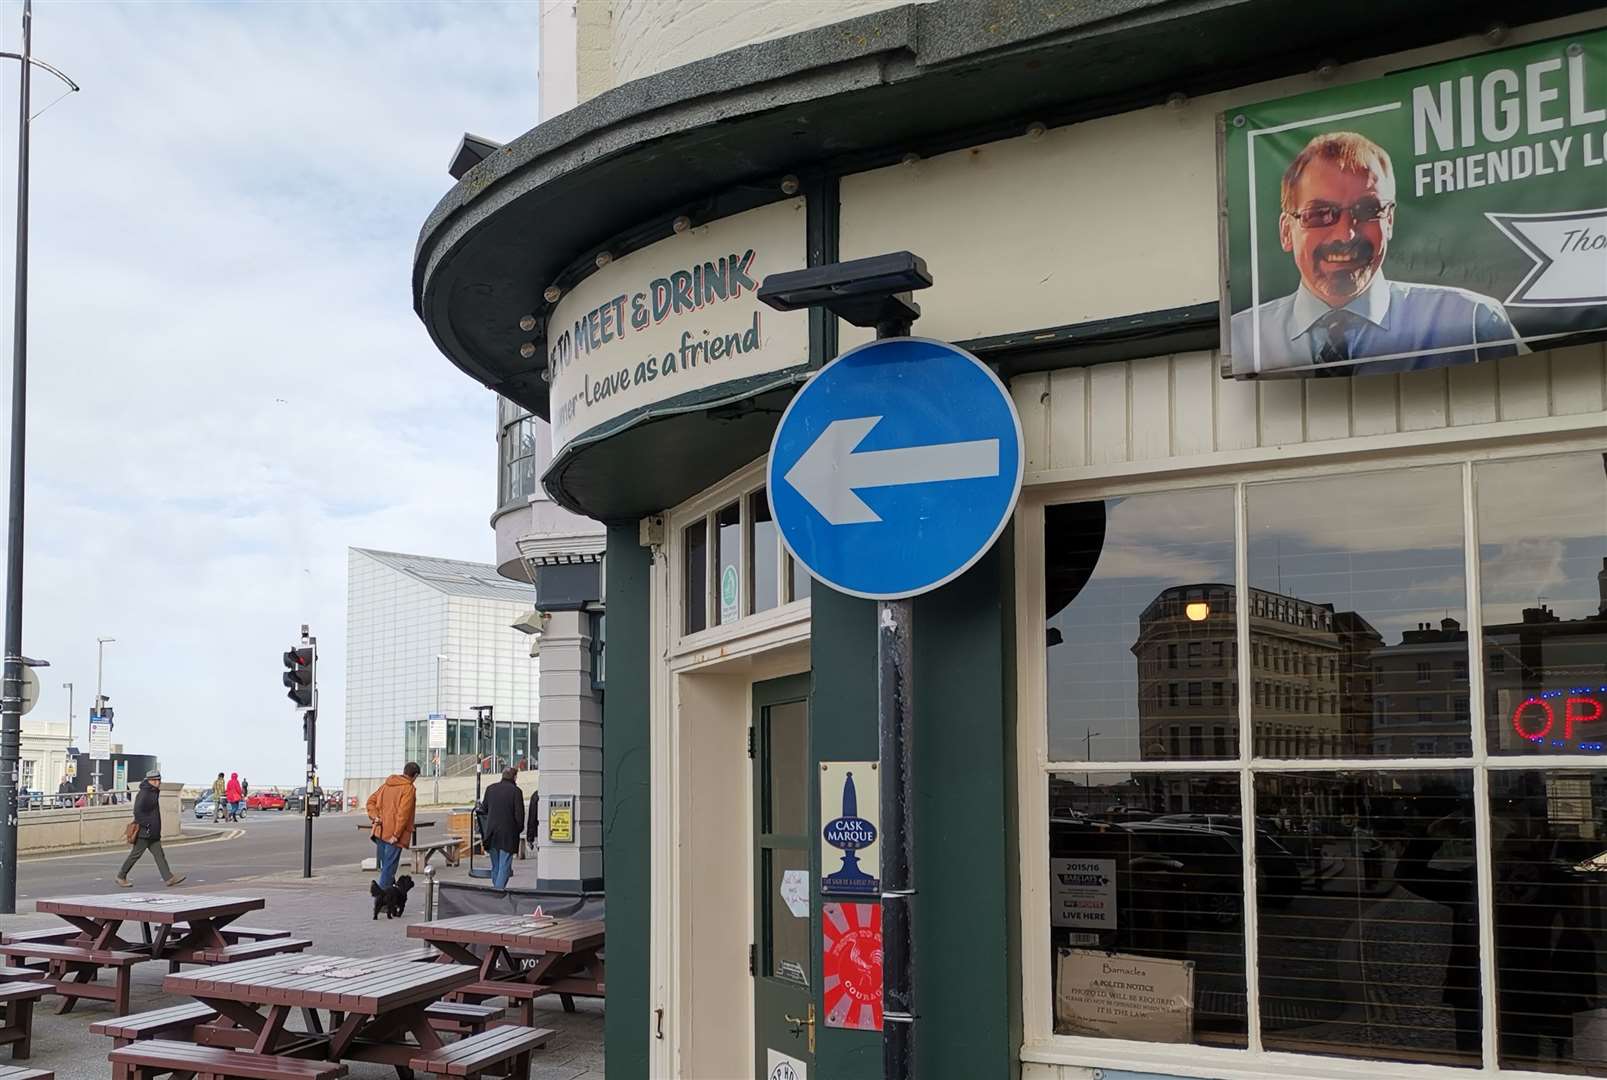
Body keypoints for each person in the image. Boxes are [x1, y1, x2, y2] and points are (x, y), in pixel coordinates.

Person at [1230, 130, 1526, 376]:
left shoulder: (1473, 323)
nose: (1346, 234)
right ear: (1285, 231)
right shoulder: (1241, 339)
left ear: (1390, 221)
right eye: (1319, 214)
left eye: (1368, 210)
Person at [115, 770, 185, 888]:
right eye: (154, 780)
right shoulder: (145, 793)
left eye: (158, 780)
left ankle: (168, 878)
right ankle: (121, 876)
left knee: (159, 855)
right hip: (145, 832)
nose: (157, 782)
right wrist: (147, 825)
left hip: (152, 832)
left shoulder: (153, 791)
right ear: (149, 781)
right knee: (135, 855)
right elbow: (137, 811)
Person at [366, 762, 420, 892]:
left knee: (386, 866)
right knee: (389, 868)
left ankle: (389, 894)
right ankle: (383, 899)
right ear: (415, 775)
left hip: (380, 831)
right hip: (394, 835)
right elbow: (403, 814)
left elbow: (370, 802)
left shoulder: (387, 785)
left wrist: (375, 816)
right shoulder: (408, 789)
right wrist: (396, 835)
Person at [481, 767, 526, 890]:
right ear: (514, 777)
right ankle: (498, 893)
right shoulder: (516, 792)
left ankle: (496, 888)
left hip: (491, 833)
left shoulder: (490, 789)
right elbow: (519, 815)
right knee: (504, 866)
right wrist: (518, 829)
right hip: (508, 834)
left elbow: (484, 810)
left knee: (496, 866)